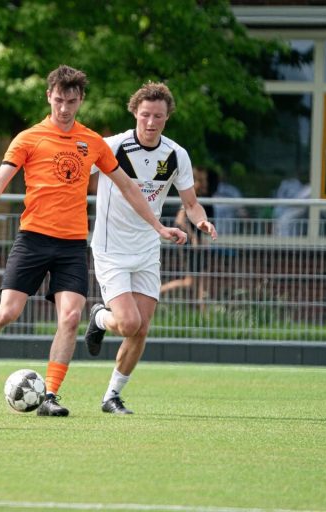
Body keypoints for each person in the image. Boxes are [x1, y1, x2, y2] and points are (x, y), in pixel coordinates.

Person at [0, 66, 187, 417]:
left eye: (71, 102)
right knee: (8, 312)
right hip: (32, 239)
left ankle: (50, 397)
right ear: (49, 97)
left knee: (71, 317)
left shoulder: (93, 142)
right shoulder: (28, 138)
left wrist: (158, 226)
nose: (64, 108)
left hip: (72, 245)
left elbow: (128, 187)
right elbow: (1, 179)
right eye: (59, 100)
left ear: (80, 100)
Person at [85, 82, 218, 415]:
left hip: (147, 250)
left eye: (158, 116)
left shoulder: (175, 155)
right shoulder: (110, 146)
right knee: (127, 323)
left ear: (167, 117)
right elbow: (73, 173)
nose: (150, 122)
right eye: (145, 114)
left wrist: (200, 221)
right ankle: (99, 317)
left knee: (142, 327)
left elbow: (191, 203)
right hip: (110, 248)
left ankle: (112, 396)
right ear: (134, 113)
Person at [159, 166, 217, 306]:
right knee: (190, 281)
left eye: (205, 181)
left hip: (198, 245)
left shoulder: (200, 198)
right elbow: (180, 220)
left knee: (203, 279)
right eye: (201, 181)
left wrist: (202, 238)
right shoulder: (189, 199)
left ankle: (204, 312)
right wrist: (193, 238)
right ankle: (156, 292)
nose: (204, 184)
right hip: (190, 246)